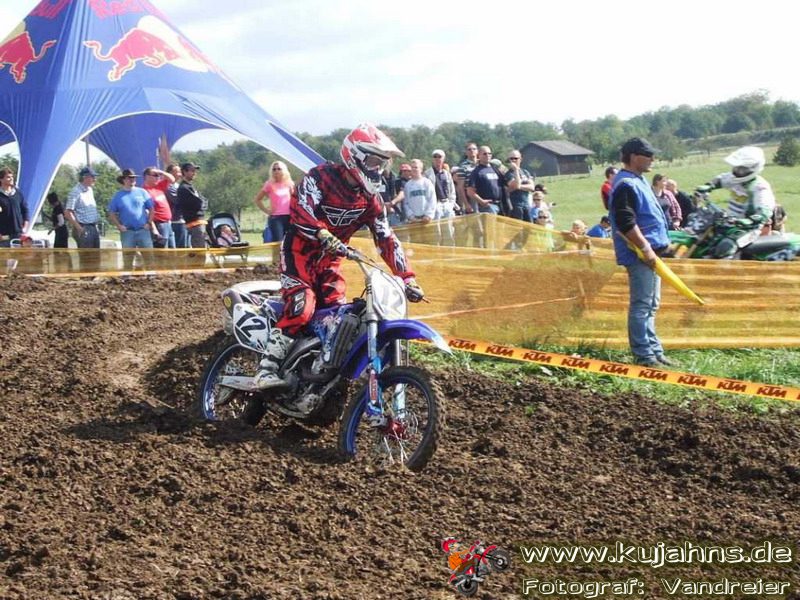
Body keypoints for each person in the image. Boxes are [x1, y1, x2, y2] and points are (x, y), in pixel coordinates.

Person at [254, 124, 424, 390]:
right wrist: (322, 233)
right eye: (374, 161)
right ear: (355, 156)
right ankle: (267, 368)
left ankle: (316, 376)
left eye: (382, 164)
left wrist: (407, 278)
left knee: (338, 319)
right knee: (303, 307)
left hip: (330, 263)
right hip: (299, 254)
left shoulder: (371, 199)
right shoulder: (320, 177)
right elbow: (300, 211)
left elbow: (386, 237)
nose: (378, 169)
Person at [608, 138, 671, 368]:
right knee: (642, 305)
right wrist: (645, 248)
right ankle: (644, 356)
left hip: (651, 253)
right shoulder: (626, 184)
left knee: (651, 304)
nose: (653, 159)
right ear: (634, 157)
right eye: (648, 155)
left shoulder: (638, 180)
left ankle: (655, 352)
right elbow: (625, 222)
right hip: (639, 254)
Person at [698, 146, 775, 234]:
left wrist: (752, 219)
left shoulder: (759, 187)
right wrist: (709, 186)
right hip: (730, 222)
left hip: (750, 229)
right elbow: (721, 179)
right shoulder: (734, 179)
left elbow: (765, 208)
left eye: (741, 169)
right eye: (736, 167)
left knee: (726, 242)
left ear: (753, 168)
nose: (737, 171)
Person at [107, 169, 154, 249]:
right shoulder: (118, 196)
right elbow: (111, 212)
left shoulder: (142, 192)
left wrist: (149, 223)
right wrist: (119, 225)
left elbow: (151, 209)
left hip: (143, 230)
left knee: (148, 255)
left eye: (133, 178)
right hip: (127, 231)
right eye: (129, 178)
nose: (132, 180)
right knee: (128, 255)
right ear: (123, 180)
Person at [254, 160, 295, 244]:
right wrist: (267, 211)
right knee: (278, 243)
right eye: (274, 169)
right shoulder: (269, 184)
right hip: (276, 218)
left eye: (279, 169)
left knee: (290, 243)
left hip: (289, 217)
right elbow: (257, 199)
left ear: (283, 170)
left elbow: (294, 200)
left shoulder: (290, 184)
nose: (276, 171)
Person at [64, 166, 101, 249]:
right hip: (83, 227)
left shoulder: (90, 190)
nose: (95, 179)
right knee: (87, 255)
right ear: (85, 177)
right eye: (92, 177)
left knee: (95, 255)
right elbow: (68, 212)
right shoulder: (76, 191)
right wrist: (79, 228)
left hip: (93, 227)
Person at [141, 166, 175, 248]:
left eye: (159, 175)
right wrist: (154, 228)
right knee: (163, 250)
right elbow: (146, 211)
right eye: (155, 175)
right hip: (159, 224)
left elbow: (172, 179)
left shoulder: (159, 186)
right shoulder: (144, 191)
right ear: (147, 177)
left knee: (172, 249)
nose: (158, 177)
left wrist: (161, 172)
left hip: (167, 223)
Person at [177, 162, 209, 248]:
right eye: (192, 170)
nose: (194, 173)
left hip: (199, 222)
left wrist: (202, 203)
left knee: (203, 247)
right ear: (184, 172)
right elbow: (198, 203)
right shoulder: (184, 188)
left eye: (195, 171)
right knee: (200, 250)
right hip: (194, 223)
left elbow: (203, 201)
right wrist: (201, 203)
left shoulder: (190, 187)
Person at [0, 167, 29, 246]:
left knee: (18, 254)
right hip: (3, 235)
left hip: (18, 234)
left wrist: (25, 227)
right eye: (8, 177)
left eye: (12, 177)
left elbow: (25, 210)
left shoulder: (18, 193)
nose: (11, 179)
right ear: (1, 179)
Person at [504, 150, 536, 222]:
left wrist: (519, 187)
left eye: (515, 158)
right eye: (511, 159)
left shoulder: (525, 172)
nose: (513, 160)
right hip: (515, 205)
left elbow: (532, 187)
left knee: (528, 226)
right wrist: (515, 170)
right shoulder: (508, 174)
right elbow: (516, 184)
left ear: (520, 159)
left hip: (526, 204)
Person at [403, 159, 436, 225]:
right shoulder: (407, 185)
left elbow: (432, 200)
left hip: (426, 219)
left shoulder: (427, 183)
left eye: (416, 167)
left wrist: (428, 215)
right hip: (414, 220)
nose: (414, 169)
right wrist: (411, 216)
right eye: (412, 167)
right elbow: (406, 203)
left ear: (421, 169)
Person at [165, 163, 187, 248]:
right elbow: (177, 200)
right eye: (178, 172)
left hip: (183, 220)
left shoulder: (179, 186)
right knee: (177, 247)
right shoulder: (168, 186)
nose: (180, 174)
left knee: (184, 247)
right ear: (170, 173)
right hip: (175, 221)